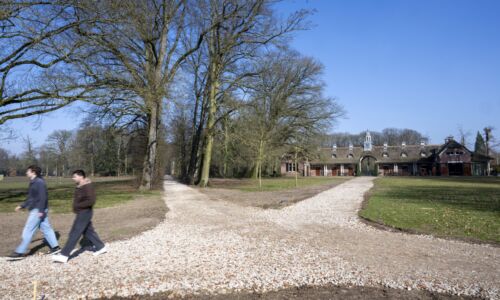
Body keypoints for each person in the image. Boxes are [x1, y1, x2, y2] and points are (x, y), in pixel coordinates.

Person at [52, 170, 107, 263]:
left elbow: (91, 201)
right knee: (88, 232)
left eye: (75, 176)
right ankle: (101, 247)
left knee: (75, 233)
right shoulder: (80, 186)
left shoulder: (88, 186)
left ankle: (64, 255)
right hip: (81, 213)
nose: (73, 178)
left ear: (81, 176)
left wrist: (78, 206)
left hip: (85, 213)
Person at [7, 165, 60, 260]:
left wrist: (41, 211)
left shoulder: (39, 182)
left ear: (33, 172)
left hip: (37, 210)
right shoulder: (34, 182)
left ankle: (20, 252)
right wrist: (22, 206)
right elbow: (31, 198)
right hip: (39, 209)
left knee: (28, 230)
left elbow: (43, 197)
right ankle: (55, 247)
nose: (26, 172)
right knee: (46, 228)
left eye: (28, 171)